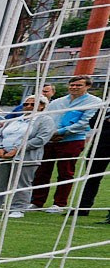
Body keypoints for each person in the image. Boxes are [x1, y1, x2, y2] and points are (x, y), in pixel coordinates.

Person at [36, 79, 101, 212]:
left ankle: (59, 204)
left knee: (65, 172)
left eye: (78, 85)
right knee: (42, 171)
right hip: (50, 140)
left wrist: (61, 132)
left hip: (72, 140)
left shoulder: (94, 102)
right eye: (72, 85)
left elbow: (86, 122)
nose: (74, 87)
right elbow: (46, 118)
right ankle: (36, 201)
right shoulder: (57, 102)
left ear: (87, 86)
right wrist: (48, 133)